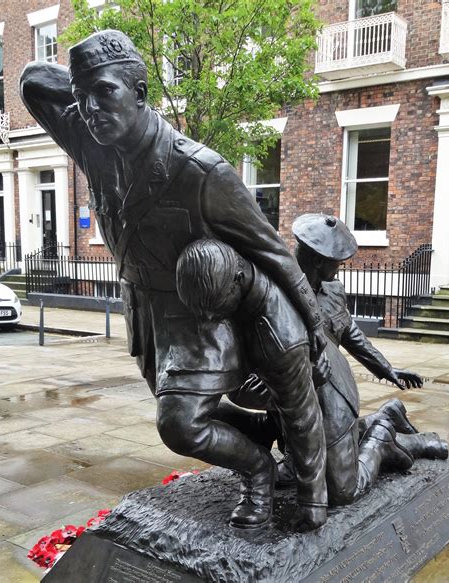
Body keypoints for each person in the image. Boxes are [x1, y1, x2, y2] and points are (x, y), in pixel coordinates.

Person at [19, 30, 327, 530]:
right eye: (81, 98)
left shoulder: (202, 172)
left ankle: (258, 470)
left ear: (140, 94)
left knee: (180, 425)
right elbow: (33, 81)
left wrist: (312, 324)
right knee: (179, 413)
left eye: (107, 92)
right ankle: (259, 432)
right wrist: (87, 83)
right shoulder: (92, 140)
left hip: (197, 313)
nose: (90, 107)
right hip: (143, 309)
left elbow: (273, 251)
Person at [231, 214, 448, 505]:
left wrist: (386, 369)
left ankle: (382, 440)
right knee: (300, 466)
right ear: (320, 261)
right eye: (338, 260)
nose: (342, 266)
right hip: (294, 400)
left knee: (341, 491)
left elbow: (352, 334)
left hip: (333, 395)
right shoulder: (273, 295)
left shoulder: (333, 291)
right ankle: (384, 417)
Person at [176, 238, 328, 528]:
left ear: (238, 279)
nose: (209, 319)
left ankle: (387, 430)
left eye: (217, 307)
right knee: (187, 416)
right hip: (273, 388)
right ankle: (263, 429)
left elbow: (305, 417)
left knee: (343, 487)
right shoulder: (223, 282)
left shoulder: (281, 336)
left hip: (316, 399)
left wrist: (312, 500)